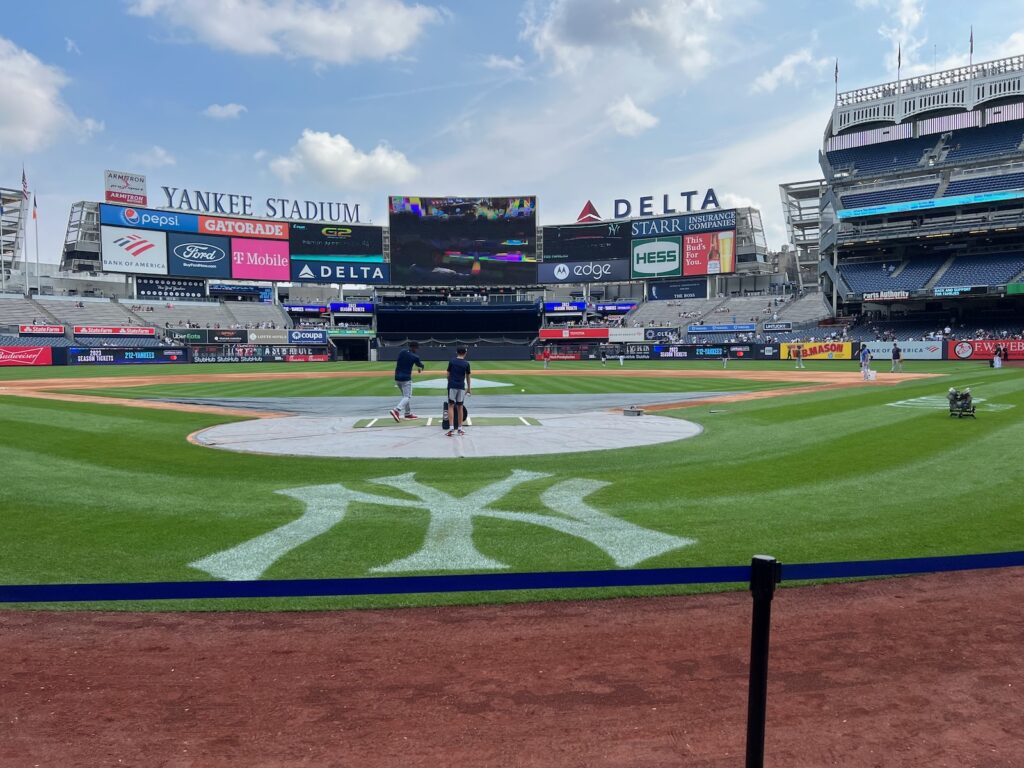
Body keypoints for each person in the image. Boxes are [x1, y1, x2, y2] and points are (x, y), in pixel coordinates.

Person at [389, 341, 425, 422]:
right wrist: (421, 366)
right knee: (407, 397)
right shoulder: (415, 357)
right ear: (414, 347)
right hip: (406, 379)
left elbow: (406, 359)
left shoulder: (402, 352)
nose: (417, 349)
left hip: (397, 378)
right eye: (416, 348)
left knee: (405, 397)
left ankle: (407, 413)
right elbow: (420, 364)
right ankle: (396, 410)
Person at [446, 346, 472, 437]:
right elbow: (468, 377)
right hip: (461, 386)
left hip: (452, 386)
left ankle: (451, 428)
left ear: (457, 352)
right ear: (465, 353)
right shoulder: (466, 363)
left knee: (451, 406)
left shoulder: (452, 361)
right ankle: (460, 429)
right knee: (460, 407)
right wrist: (469, 388)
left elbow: (448, 375)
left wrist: (450, 383)